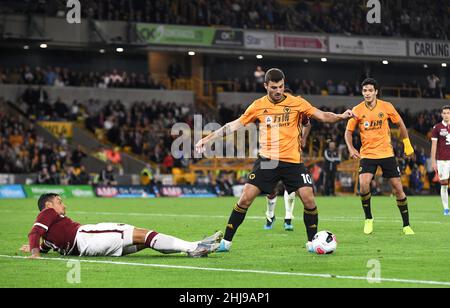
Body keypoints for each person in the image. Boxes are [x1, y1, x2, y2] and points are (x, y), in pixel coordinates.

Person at [195, 68, 354, 253]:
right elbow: (233, 125)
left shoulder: (297, 103)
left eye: (281, 87)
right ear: (265, 86)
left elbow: (323, 116)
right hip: (267, 161)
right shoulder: (258, 105)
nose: (278, 91)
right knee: (245, 198)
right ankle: (226, 243)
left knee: (309, 199)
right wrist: (207, 138)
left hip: (293, 162)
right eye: (273, 87)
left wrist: (341, 116)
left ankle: (313, 243)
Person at [20, 194, 222, 259]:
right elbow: (34, 232)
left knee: (147, 242)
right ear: (48, 205)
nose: (63, 205)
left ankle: (196, 244)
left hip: (86, 248)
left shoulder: (49, 233)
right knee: (147, 234)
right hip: (87, 237)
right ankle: (193, 248)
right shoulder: (48, 212)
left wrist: (36, 247)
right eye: (59, 201)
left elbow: (44, 241)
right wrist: (35, 252)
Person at [344, 78, 415, 235]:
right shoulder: (357, 110)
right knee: (363, 184)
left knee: (397, 188)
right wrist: (350, 147)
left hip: (386, 153)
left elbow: (401, 124)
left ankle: (406, 225)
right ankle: (368, 218)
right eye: (364, 91)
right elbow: (348, 132)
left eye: (370, 90)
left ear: (376, 91)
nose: (367, 93)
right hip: (368, 154)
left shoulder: (386, 106)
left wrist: (407, 144)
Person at [264, 114, 312, 231]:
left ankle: (288, 218)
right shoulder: (271, 109)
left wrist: (304, 138)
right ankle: (270, 216)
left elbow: (307, 124)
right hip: (272, 154)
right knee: (271, 190)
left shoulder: (298, 111)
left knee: (291, 188)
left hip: (291, 156)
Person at [431, 105, 450, 216]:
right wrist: (433, 161)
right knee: (444, 184)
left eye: (448, 113)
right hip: (442, 160)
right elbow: (434, 146)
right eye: (445, 113)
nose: (446, 115)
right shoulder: (437, 128)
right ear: (442, 114)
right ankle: (446, 208)